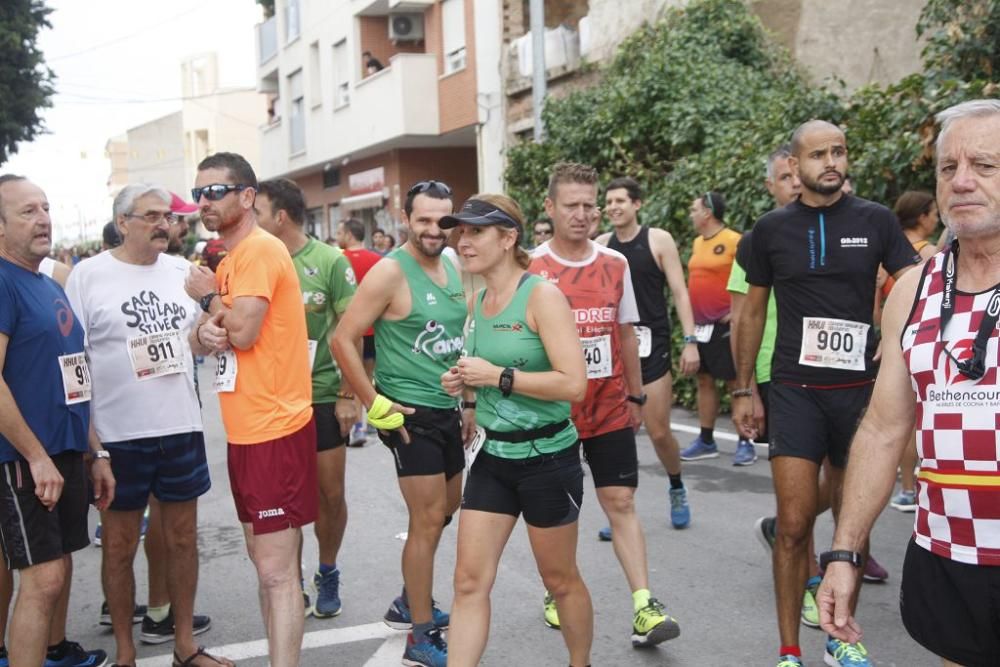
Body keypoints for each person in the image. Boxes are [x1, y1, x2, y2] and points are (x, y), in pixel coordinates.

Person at [820, 96, 1000, 667]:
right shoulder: (912, 290)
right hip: (946, 554)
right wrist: (844, 554)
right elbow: (881, 429)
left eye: (986, 166)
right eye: (949, 168)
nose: (962, 182)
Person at [733, 120, 920, 667]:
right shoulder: (769, 231)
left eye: (838, 151)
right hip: (795, 389)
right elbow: (750, 311)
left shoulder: (876, 220)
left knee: (849, 527)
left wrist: (896, 336)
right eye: (819, 154)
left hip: (860, 391)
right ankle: (790, 649)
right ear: (794, 165)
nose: (831, 162)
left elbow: (910, 282)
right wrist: (745, 388)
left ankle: (841, 639)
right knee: (793, 524)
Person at [65, 184, 225, 667]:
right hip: (117, 436)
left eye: (168, 217)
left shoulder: (182, 272)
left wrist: (204, 334)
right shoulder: (88, 276)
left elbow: (195, 341)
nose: (164, 224)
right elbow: (73, 363)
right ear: (123, 222)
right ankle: (126, 654)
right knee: (117, 547)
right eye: (152, 216)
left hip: (180, 426)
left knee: (182, 540)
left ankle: (184, 646)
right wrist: (92, 445)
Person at [530, 162, 680, 649]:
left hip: (610, 406)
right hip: (553, 414)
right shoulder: (532, 267)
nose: (581, 214)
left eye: (588, 206)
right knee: (560, 514)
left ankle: (644, 604)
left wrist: (636, 395)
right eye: (570, 206)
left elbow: (625, 331)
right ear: (550, 208)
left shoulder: (614, 263)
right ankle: (558, 587)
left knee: (621, 501)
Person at [437, 194, 591, 667]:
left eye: (476, 231)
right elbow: (479, 371)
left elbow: (575, 384)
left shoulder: (541, 296)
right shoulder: (478, 299)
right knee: (468, 582)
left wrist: (499, 378)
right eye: (460, 232)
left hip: (547, 459)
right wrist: (462, 385)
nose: (464, 242)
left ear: (508, 238)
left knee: (559, 580)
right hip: (491, 458)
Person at [183, 153, 316, 667]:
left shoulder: (258, 250)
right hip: (247, 431)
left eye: (215, 191)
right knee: (267, 566)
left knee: (277, 573)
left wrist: (208, 300)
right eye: (198, 194)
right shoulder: (231, 258)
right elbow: (215, 339)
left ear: (246, 196)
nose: (203, 203)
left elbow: (242, 330)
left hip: (274, 429)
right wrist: (206, 327)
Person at [332, 180, 465, 667]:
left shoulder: (451, 265)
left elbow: (458, 340)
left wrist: (467, 404)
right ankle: (420, 633)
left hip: (447, 411)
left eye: (443, 220)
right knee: (427, 520)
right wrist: (373, 402)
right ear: (405, 219)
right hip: (408, 415)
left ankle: (411, 597)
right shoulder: (390, 272)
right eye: (424, 220)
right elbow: (343, 339)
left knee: (447, 508)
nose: (435, 229)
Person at [0, 175, 111, 667]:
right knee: (42, 578)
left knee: (61, 565)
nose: (43, 218)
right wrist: (36, 456)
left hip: (66, 450)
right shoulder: (3, 281)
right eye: (27, 211)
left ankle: (56, 652)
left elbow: (75, 376)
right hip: (24, 457)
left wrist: (96, 451)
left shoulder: (49, 283)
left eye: (45, 207)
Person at [256, 178, 358, 619]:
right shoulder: (253, 258)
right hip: (269, 401)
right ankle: (291, 578)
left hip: (318, 397)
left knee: (329, 496)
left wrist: (348, 393)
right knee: (284, 499)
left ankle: (328, 569)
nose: (250, 220)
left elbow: (349, 329)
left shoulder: (329, 261)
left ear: (280, 216)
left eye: (256, 212)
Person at [596, 176, 700, 531]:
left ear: (637, 204)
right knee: (616, 433)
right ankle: (620, 506)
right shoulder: (602, 246)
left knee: (658, 432)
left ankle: (676, 485)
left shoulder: (658, 240)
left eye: (620, 201)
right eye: (609, 202)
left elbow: (680, 292)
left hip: (652, 349)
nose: (613, 207)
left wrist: (690, 340)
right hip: (615, 354)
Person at [681, 191, 756, 464]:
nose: (691, 214)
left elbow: (750, 277)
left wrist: (737, 312)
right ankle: (705, 439)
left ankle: (745, 441)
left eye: (693, 209)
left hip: (726, 326)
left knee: (736, 382)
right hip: (701, 327)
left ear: (707, 212)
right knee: (704, 380)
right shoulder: (698, 243)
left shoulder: (734, 240)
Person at [881, 191, 941, 513]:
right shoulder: (928, 252)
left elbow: (877, 294)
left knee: (895, 420)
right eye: (933, 213)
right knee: (920, 419)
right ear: (922, 217)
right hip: (922, 337)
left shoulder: (889, 251)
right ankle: (915, 487)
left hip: (891, 337)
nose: (936, 219)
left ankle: (904, 488)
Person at [336, 218, 383, 446]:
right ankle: (369, 421)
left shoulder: (338, 259)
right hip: (374, 330)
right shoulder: (378, 260)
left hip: (349, 331)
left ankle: (357, 427)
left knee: (351, 378)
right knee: (368, 377)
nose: (337, 236)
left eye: (339, 231)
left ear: (348, 234)